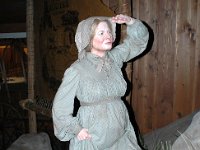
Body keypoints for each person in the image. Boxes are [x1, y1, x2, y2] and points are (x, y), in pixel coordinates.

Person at [52, 14, 149, 150]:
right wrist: (76, 129)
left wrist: (131, 22)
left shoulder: (114, 59)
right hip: (93, 138)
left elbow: (138, 43)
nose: (108, 36)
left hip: (121, 134)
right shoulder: (77, 69)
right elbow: (60, 106)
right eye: (101, 33)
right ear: (89, 38)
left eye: (109, 32)